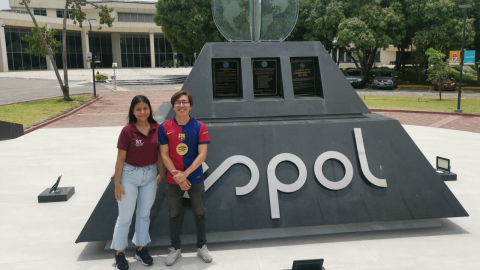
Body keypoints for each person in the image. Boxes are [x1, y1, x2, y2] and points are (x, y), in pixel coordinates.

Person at [158, 91, 212, 266]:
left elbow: (202, 155)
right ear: (173, 105)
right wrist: (178, 176)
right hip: (173, 179)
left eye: (185, 102)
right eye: (178, 102)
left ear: (190, 105)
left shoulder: (199, 127)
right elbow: (164, 155)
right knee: (174, 213)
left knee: (200, 212)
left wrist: (185, 175)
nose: (182, 105)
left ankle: (202, 246)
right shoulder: (164, 127)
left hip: (194, 177)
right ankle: (175, 248)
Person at [111, 95, 165, 270]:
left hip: (150, 176)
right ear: (133, 112)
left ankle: (141, 249)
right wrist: (117, 184)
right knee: (125, 217)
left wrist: (161, 172)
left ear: (150, 109)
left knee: (144, 214)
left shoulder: (158, 128)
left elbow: (160, 153)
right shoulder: (128, 131)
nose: (142, 112)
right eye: (138, 109)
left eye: (145, 108)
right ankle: (119, 253)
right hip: (129, 176)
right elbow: (120, 159)